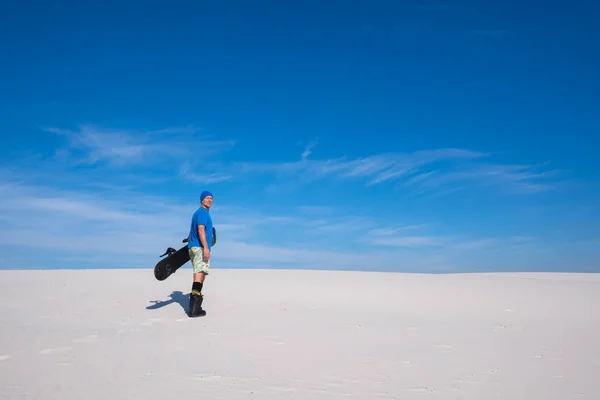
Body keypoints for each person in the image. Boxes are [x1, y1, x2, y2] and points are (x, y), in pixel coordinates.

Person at [187, 190, 214, 317]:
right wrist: (206, 248)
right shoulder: (203, 213)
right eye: (207, 198)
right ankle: (194, 309)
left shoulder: (197, 213)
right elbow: (200, 229)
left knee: (201, 273)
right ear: (202, 200)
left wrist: (189, 240)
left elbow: (192, 231)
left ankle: (196, 306)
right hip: (199, 248)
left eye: (211, 198)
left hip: (194, 247)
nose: (210, 200)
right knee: (199, 274)